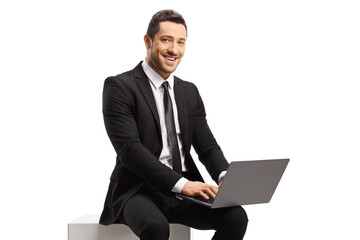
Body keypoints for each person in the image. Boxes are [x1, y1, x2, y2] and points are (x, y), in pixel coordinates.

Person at [99, 9, 248, 239]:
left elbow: (207, 147)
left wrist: (224, 176)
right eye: (166, 40)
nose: (174, 50)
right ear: (148, 41)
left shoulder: (189, 91)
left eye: (181, 42)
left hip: (183, 193)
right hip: (138, 189)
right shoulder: (119, 87)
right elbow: (130, 150)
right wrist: (182, 184)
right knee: (156, 228)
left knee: (236, 217)